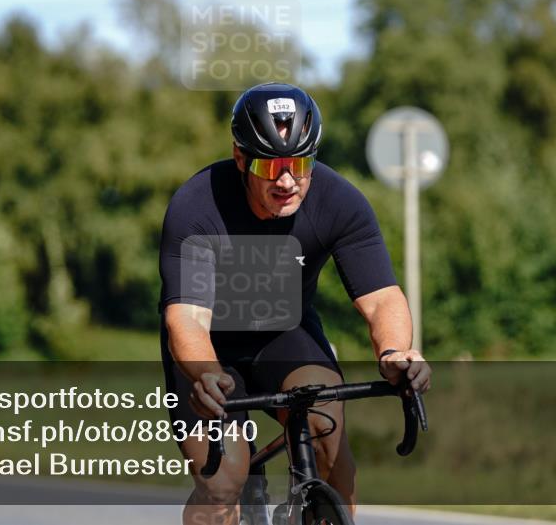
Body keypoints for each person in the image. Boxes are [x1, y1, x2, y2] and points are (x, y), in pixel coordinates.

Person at [159, 82, 431, 525]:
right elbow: (186, 319)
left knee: (327, 430)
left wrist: (394, 353)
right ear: (241, 158)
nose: (287, 181)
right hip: (208, 351)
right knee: (223, 482)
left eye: (300, 164)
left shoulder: (339, 202)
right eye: (271, 167)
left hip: (284, 332)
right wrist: (206, 373)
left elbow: (381, 299)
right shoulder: (197, 205)